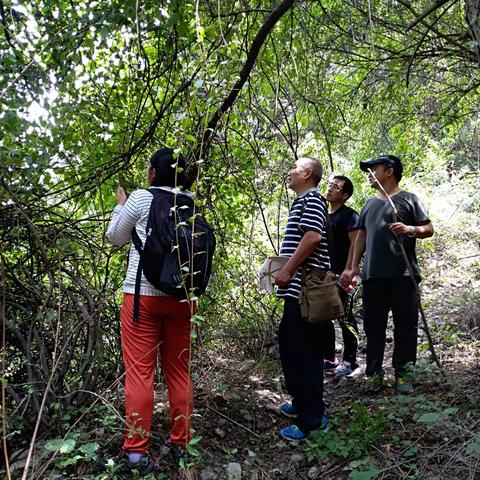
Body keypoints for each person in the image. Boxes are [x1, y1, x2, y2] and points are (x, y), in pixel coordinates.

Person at [107, 148, 196, 475]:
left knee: (140, 375)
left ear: (154, 173)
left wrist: (120, 207)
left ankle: (136, 454)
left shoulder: (142, 198)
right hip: (184, 298)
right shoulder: (191, 200)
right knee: (178, 372)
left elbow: (114, 237)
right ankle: (183, 444)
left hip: (141, 298)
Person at [340, 155, 434, 394]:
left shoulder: (410, 200)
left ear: (389, 171)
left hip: (404, 275)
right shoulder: (370, 204)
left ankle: (403, 375)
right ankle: (374, 374)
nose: (370, 174)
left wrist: (409, 229)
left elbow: (428, 229)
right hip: (374, 276)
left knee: (406, 325)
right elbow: (360, 238)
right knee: (374, 326)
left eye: (374, 169)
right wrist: (352, 267)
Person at [275, 156, 330, 441]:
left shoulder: (313, 200)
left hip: (306, 292)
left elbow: (312, 237)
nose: (289, 172)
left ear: (307, 174)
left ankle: (312, 420)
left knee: (304, 354)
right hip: (296, 291)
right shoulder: (303, 201)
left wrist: (286, 269)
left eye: (294, 168)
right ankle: (301, 404)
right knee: (289, 347)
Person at [324, 175, 361, 379]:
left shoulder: (350, 216)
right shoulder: (324, 215)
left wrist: (349, 270)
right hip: (325, 276)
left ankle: (350, 360)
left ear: (345, 195)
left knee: (345, 317)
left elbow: (356, 244)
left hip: (344, 275)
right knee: (323, 316)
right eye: (330, 185)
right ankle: (330, 358)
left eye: (336, 187)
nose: (330, 189)